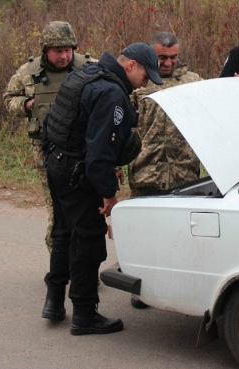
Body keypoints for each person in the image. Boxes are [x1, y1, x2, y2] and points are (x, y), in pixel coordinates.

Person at [41, 42, 162, 335]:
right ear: (131, 65)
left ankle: (54, 302)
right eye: (146, 75)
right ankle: (84, 315)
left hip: (56, 162)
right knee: (88, 240)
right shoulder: (111, 93)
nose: (146, 83)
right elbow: (98, 156)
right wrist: (109, 194)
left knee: (63, 233)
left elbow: (62, 123)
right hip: (78, 172)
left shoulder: (86, 73)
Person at [3, 21, 95, 252]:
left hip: (83, 151)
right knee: (57, 211)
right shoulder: (28, 73)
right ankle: (59, 260)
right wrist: (28, 105)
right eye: (58, 51)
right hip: (46, 151)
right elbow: (9, 99)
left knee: (87, 211)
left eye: (67, 50)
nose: (64, 56)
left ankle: (82, 263)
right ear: (45, 50)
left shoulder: (90, 67)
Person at [127, 32, 202, 309]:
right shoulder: (138, 83)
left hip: (184, 172)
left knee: (182, 234)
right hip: (146, 170)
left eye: (173, 57)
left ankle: (180, 287)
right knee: (144, 234)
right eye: (162, 58)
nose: (168, 63)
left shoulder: (193, 82)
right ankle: (140, 288)